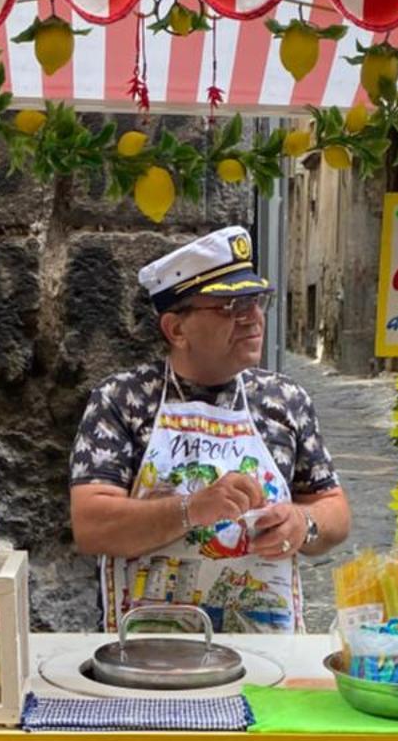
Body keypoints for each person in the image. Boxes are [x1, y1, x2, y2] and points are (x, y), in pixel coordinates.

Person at [69, 225, 350, 632]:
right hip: (150, 650)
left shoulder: (285, 401)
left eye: (255, 301)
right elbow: (92, 525)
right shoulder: (122, 400)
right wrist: (192, 510)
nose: (252, 318)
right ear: (176, 329)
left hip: (267, 651)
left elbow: (334, 509)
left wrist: (303, 525)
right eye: (229, 307)